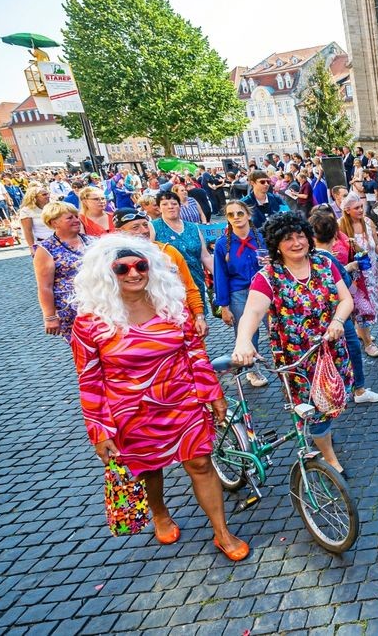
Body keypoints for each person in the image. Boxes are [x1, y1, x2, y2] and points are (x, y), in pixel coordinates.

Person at [71, 234, 248, 561]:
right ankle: (160, 514)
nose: (133, 273)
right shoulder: (90, 322)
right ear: (107, 273)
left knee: (200, 462)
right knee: (149, 469)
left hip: (183, 400)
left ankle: (222, 532)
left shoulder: (171, 306)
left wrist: (213, 393)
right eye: (122, 269)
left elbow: (195, 352)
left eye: (140, 265)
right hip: (131, 410)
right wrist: (99, 430)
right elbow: (90, 379)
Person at [231, 213, 354, 474]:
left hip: (331, 348)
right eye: (288, 238)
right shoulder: (269, 276)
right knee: (313, 410)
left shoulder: (324, 263)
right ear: (276, 244)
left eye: (300, 236)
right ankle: (330, 459)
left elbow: (346, 300)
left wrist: (338, 321)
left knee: (331, 399)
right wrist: (243, 342)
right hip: (297, 357)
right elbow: (252, 312)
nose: (296, 242)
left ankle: (323, 435)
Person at [308, 208, 378, 405]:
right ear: (334, 232)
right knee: (351, 347)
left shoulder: (311, 256)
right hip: (337, 315)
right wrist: (350, 268)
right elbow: (347, 288)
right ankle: (357, 389)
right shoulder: (328, 258)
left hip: (316, 315)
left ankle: (328, 391)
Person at [115, 208, 207, 338]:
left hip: (177, 324)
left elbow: (189, 287)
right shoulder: (111, 260)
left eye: (145, 225)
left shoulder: (168, 252)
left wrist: (199, 316)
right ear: (120, 232)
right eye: (135, 227)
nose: (144, 231)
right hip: (133, 332)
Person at [212, 201, 269, 388]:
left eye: (239, 213)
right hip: (239, 293)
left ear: (248, 215)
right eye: (231, 215)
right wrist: (224, 306)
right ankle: (251, 369)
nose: (236, 217)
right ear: (227, 219)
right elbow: (220, 276)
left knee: (276, 328)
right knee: (246, 332)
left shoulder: (262, 238)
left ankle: (284, 362)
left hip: (266, 290)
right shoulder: (223, 245)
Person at [340, 194, 378, 357]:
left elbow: (376, 244)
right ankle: (368, 342)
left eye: (361, 207)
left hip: (372, 272)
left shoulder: (368, 222)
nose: (361, 210)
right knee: (361, 308)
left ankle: (361, 332)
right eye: (356, 208)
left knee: (369, 306)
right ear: (347, 211)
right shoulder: (341, 227)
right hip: (355, 276)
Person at [33, 202, 89, 340]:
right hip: (72, 312)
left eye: (76, 216)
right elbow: (44, 286)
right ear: (54, 223)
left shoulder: (92, 241)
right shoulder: (46, 249)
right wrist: (50, 317)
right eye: (70, 218)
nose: (77, 220)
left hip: (102, 304)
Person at [151, 191, 212, 309]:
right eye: (164, 204)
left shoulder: (193, 227)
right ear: (159, 208)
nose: (170, 207)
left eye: (174, 203)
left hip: (195, 280)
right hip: (170, 285)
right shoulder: (153, 227)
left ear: (180, 206)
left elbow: (205, 256)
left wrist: (220, 276)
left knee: (199, 317)